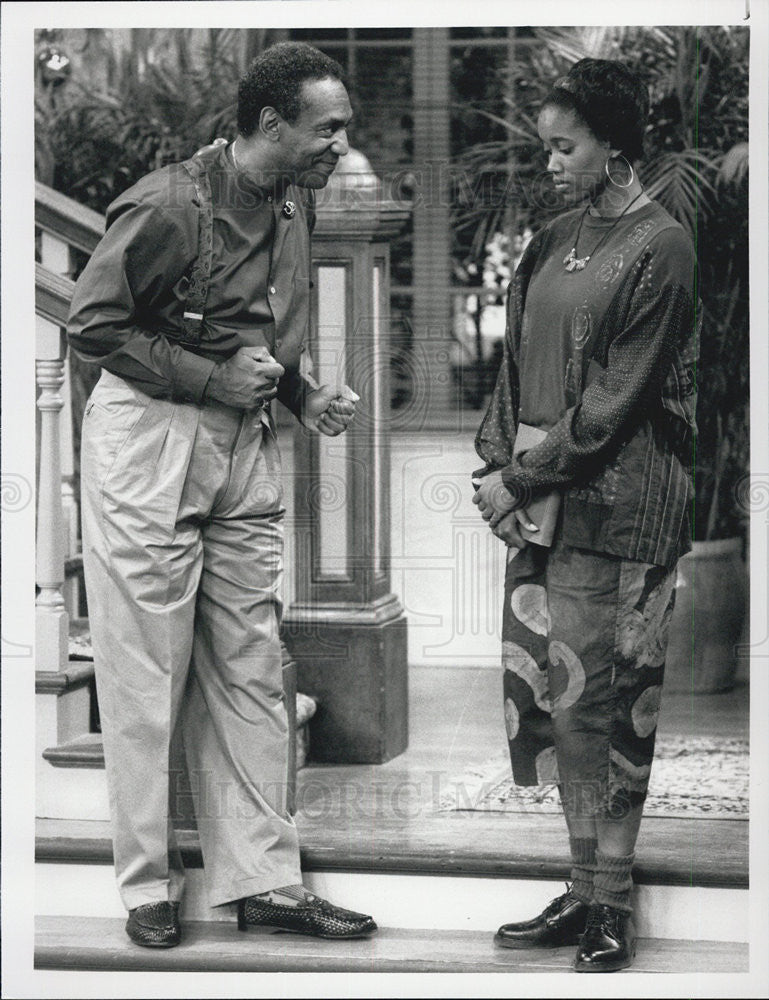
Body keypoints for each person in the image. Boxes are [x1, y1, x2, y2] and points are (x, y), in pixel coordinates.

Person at [68, 41, 377, 948]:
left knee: (249, 664)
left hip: (242, 442)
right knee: (145, 673)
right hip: (150, 442)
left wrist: (301, 393)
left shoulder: (291, 197)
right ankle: (146, 886)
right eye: (328, 127)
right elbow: (92, 327)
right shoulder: (167, 205)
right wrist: (210, 384)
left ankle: (265, 881)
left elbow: (258, 332)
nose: (341, 143)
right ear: (270, 124)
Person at [472, 58, 698, 973]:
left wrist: (519, 476)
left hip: (625, 506)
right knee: (561, 700)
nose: (551, 162)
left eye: (565, 147)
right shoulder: (551, 235)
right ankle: (576, 888)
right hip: (546, 506)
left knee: (614, 706)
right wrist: (498, 470)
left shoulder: (662, 244)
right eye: (546, 147)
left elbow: (615, 401)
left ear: (614, 144)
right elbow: (510, 368)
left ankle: (614, 901)